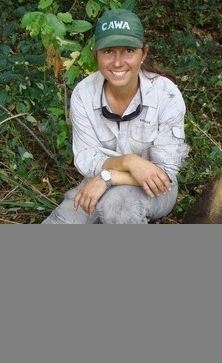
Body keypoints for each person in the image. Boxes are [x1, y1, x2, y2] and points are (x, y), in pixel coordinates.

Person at [42, 9, 189, 224]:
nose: (118, 62)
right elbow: (86, 158)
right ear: (96, 54)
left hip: (156, 190)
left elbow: (164, 174)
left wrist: (108, 178)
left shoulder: (166, 94)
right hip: (97, 181)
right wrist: (130, 161)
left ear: (144, 53)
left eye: (128, 51)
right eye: (109, 51)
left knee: (119, 205)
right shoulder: (84, 94)